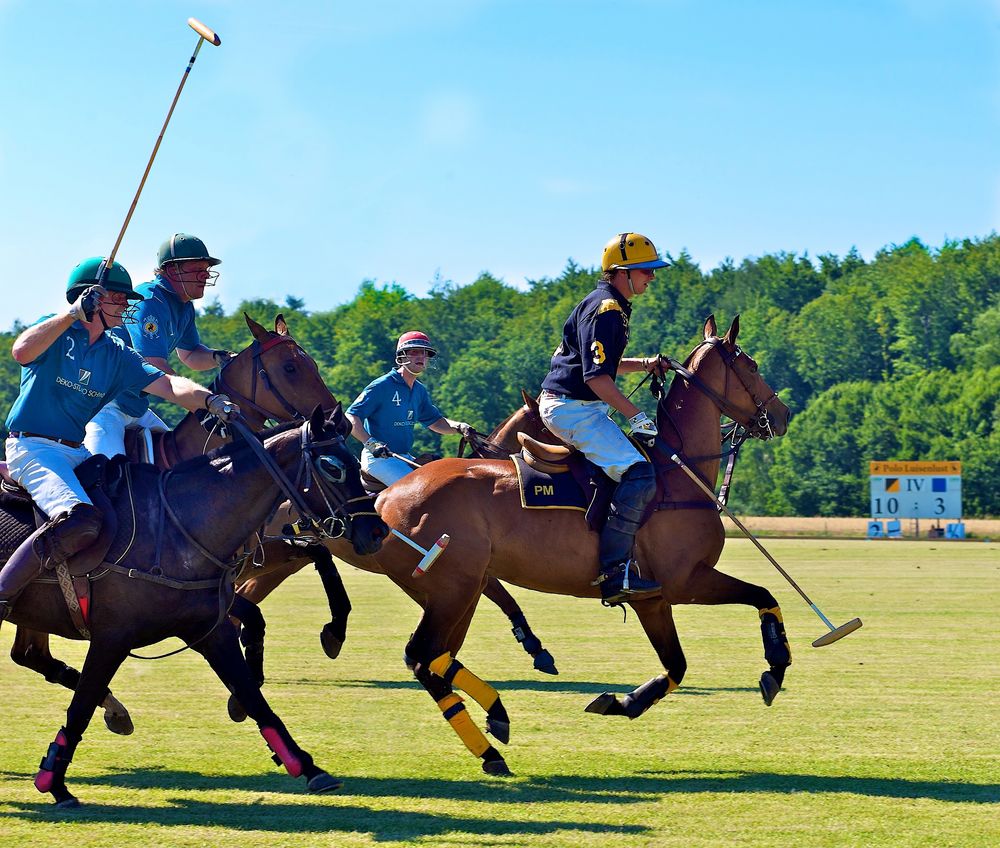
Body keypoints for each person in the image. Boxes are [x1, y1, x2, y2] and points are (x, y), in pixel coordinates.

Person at [0, 257, 240, 625]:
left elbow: (169, 384)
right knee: (80, 520)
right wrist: (70, 315)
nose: (128, 305)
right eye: (119, 298)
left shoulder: (117, 352)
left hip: (74, 450)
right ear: (91, 299)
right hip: (32, 448)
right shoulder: (57, 332)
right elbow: (21, 351)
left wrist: (209, 399)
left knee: (128, 507)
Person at [539, 232, 669, 605]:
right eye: (646, 271)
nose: (652, 278)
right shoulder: (606, 309)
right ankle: (615, 572)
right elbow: (596, 378)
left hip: (577, 405)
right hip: (572, 407)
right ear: (621, 272)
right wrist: (637, 415)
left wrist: (645, 364)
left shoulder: (612, 305)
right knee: (639, 472)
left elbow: (601, 367)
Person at [84, 233, 234, 459]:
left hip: (135, 407)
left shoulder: (184, 306)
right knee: (102, 476)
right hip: (102, 404)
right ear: (173, 271)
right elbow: (154, 367)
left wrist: (222, 357)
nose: (205, 276)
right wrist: (200, 403)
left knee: (184, 466)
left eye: (207, 270)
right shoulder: (150, 299)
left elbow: (191, 355)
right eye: (198, 270)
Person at [346, 331, 473, 486]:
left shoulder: (419, 390)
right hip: (379, 459)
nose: (421, 357)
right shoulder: (382, 385)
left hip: (404, 457)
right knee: (421, 490)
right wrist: (371, 443)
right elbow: (351, 416)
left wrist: (459, 427)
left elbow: (436, 422)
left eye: (425, 353)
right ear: (401, 356)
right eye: (414, 352)